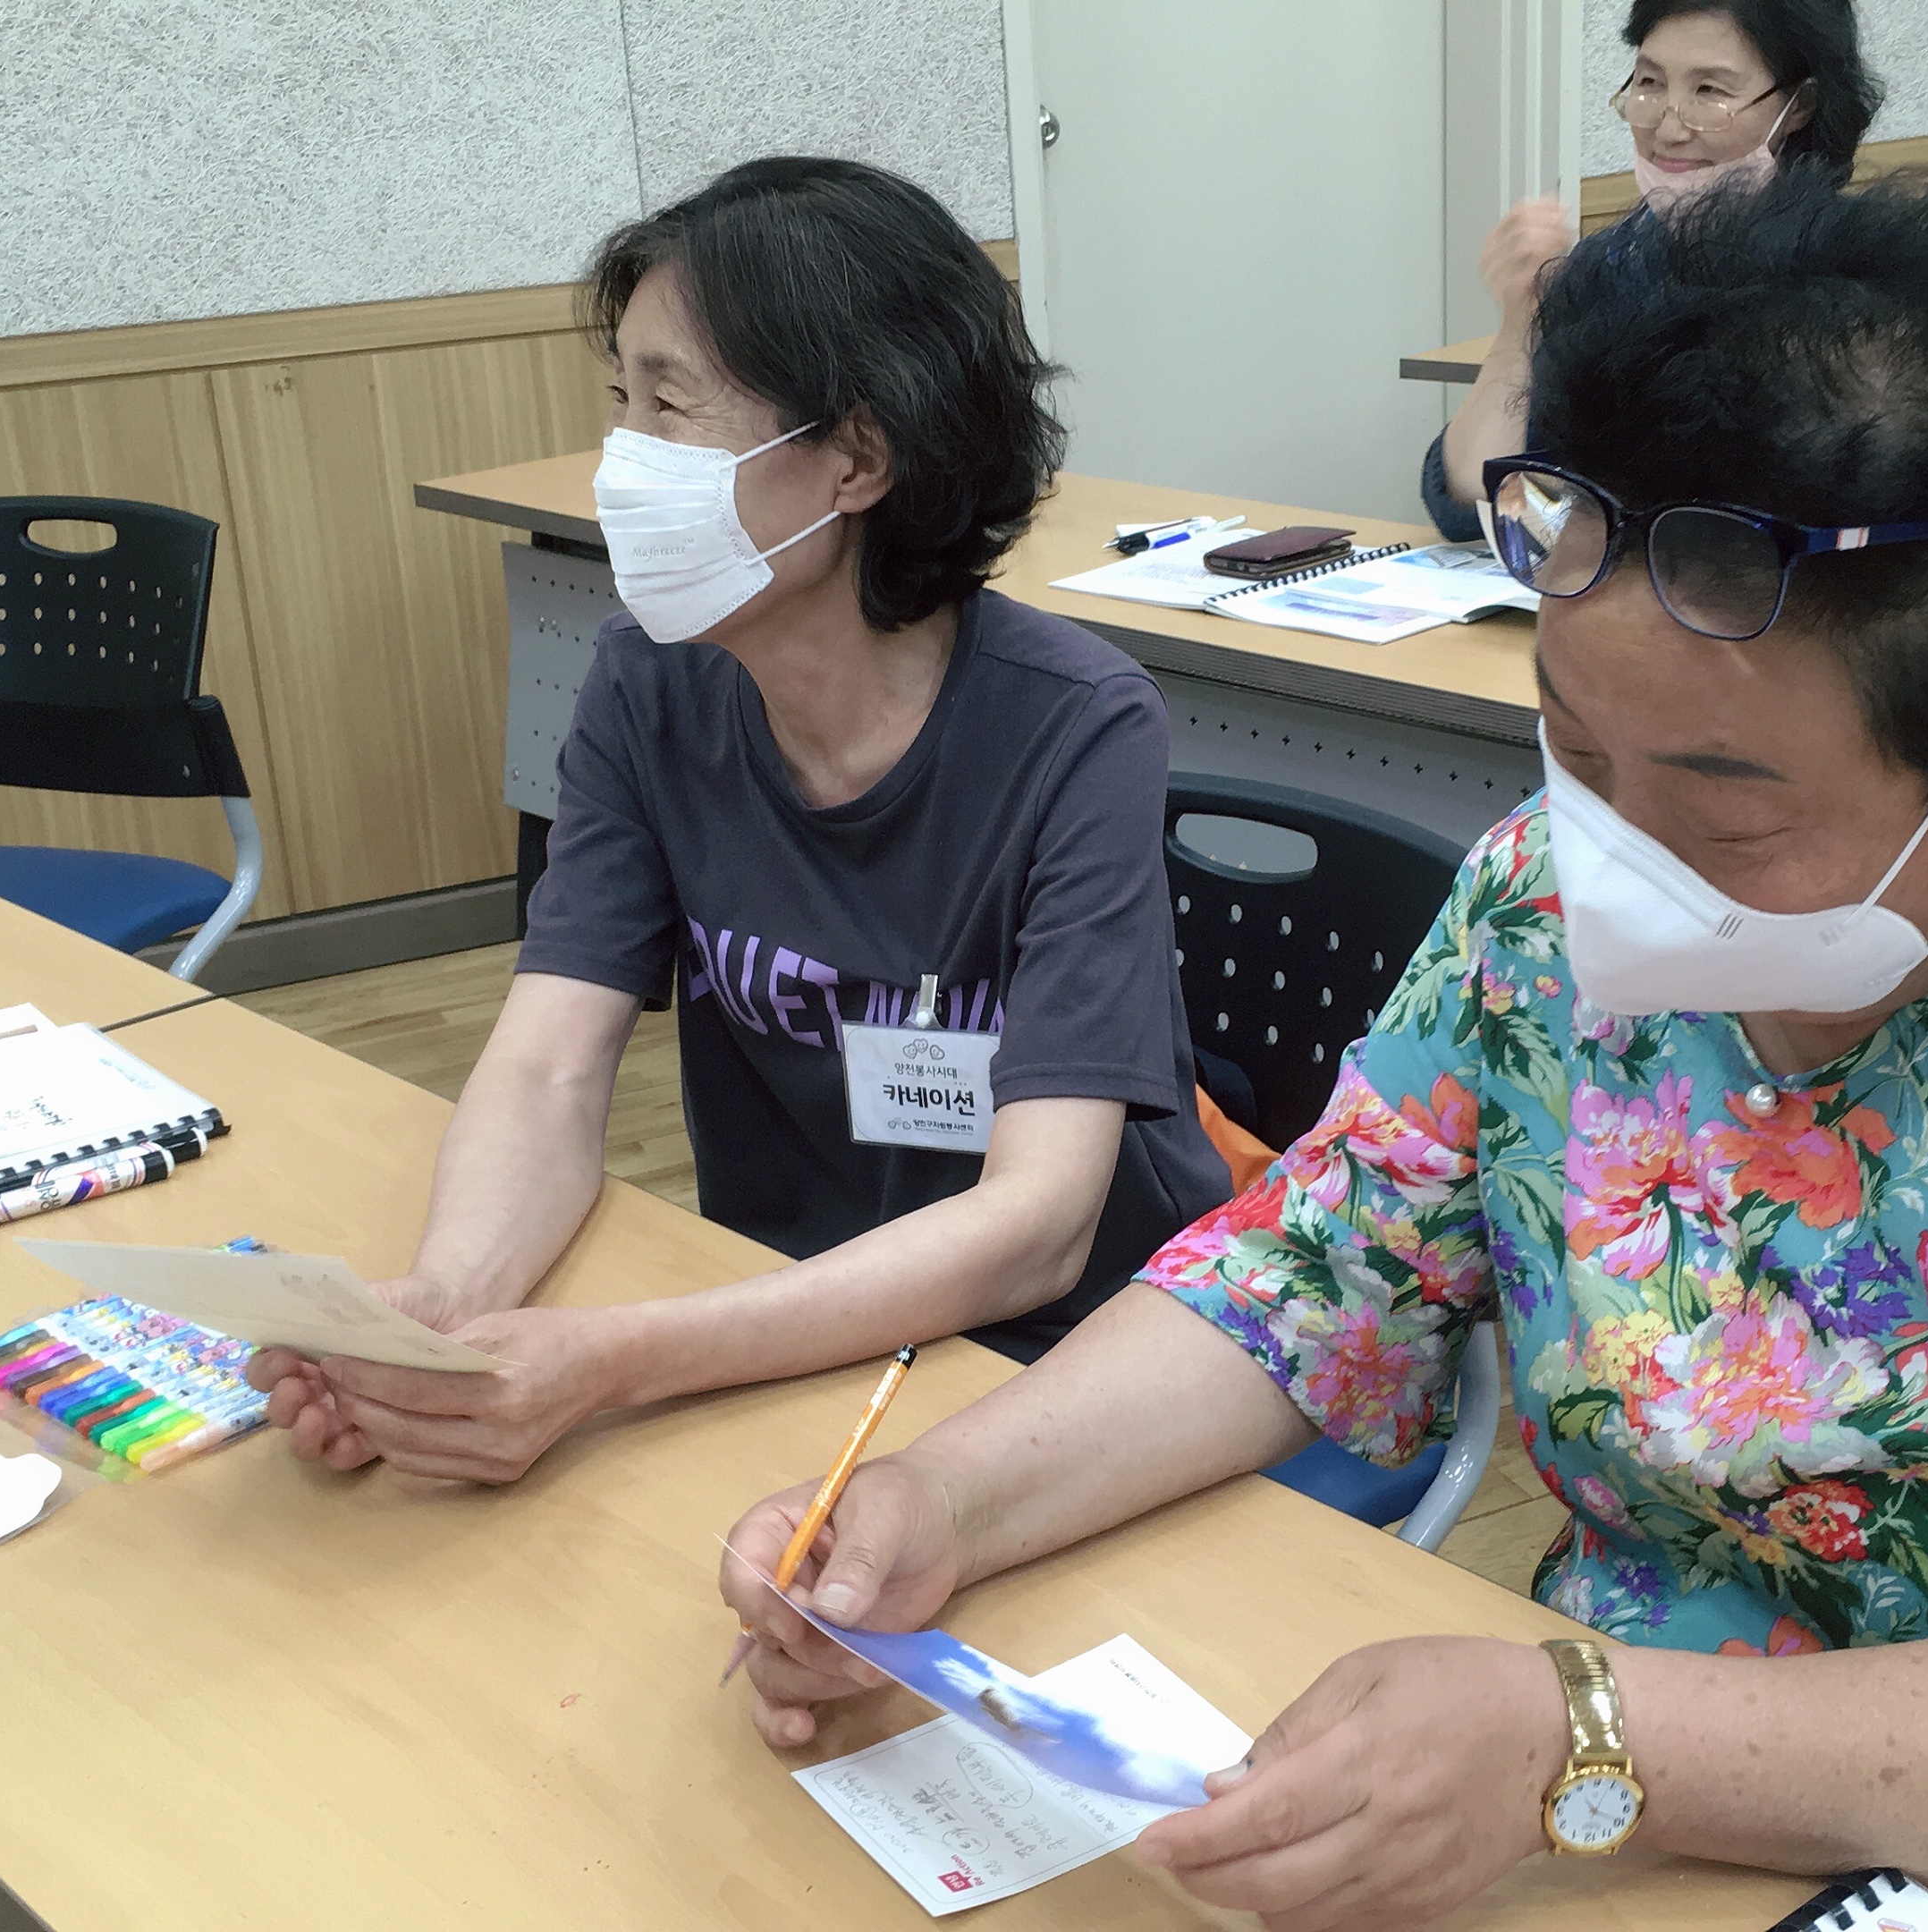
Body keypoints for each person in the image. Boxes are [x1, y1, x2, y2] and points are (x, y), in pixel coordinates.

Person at [724, 171, 1928, 1929]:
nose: (1615, 854)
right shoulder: (1543, 905)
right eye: (1577, 749)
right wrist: (944, 1499)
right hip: (1650, 1819)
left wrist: (1581, 1734)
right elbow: (1310, 1280)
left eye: (1728, 807)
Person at [247, 158, 1228, 1483]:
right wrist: (445, 1305)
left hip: (1063, 1356)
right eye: (621, 402)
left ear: (857, 460)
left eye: (672, 406)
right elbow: (547, 1069)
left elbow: (1039, 1228)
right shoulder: (650, 681)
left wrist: (612, 1359)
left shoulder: (1076, 726)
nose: (622, 462)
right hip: (784, 1314)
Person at [1423, 0, 1881, 542]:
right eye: (1650, 83)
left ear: (1800, 105)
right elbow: (1471, 502)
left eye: (1709, 91)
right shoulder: (1616, 260)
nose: (1669, 127)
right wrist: (1520, 322)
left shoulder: (1856, 279)